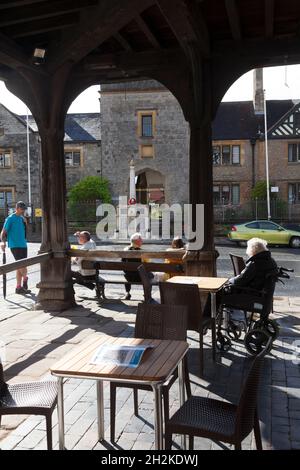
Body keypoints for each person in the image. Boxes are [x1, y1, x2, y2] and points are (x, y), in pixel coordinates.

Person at [0, 201, 30, 294]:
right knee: (20, 264)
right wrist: (2, 242)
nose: (23, 211)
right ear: (17, 208)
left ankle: (18, 287)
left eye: (24, 209)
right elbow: (3, 232)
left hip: (23, 245)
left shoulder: (22, 219)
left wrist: (25, 222)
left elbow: (24, 231)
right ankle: (25, 278)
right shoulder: (10, 218)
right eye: (21, 209)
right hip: (15, 245)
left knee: (20, 266)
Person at [123, 232, 152, 300]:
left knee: (128, 272)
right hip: (140, 277)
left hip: (128, 277)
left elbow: (122, 263)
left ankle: (127, 292)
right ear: (137, 241)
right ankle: (147, 294)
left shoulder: (125, 250)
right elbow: (148, 265)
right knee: (150, 276)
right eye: (141, 240)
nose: (142, 241)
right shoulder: (142, 252)